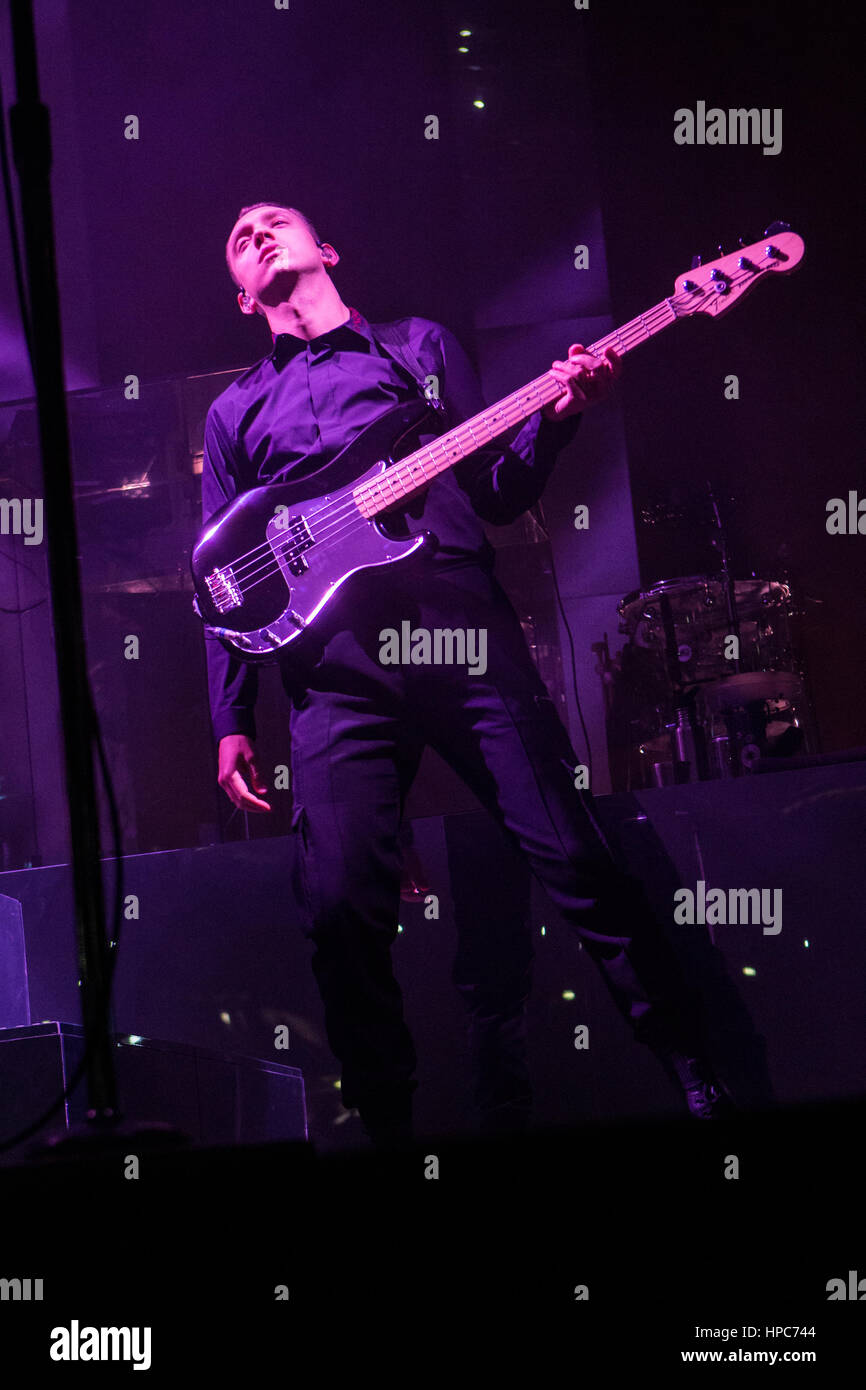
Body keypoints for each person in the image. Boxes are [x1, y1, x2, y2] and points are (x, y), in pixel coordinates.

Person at [201, 202, 735, 1150]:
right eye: (238, 239)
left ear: (328, 247)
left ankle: (700, 1075)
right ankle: (390, 1131)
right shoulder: (234, 412)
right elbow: (219, 577)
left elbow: (496, 491)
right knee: (335, 907)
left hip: (458, 629)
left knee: (574, 857)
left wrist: (560, 417)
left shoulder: (417, 351)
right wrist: (230, 714)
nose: (255, 233)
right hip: (333, 671)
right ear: (243, 296)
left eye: (274, 221)